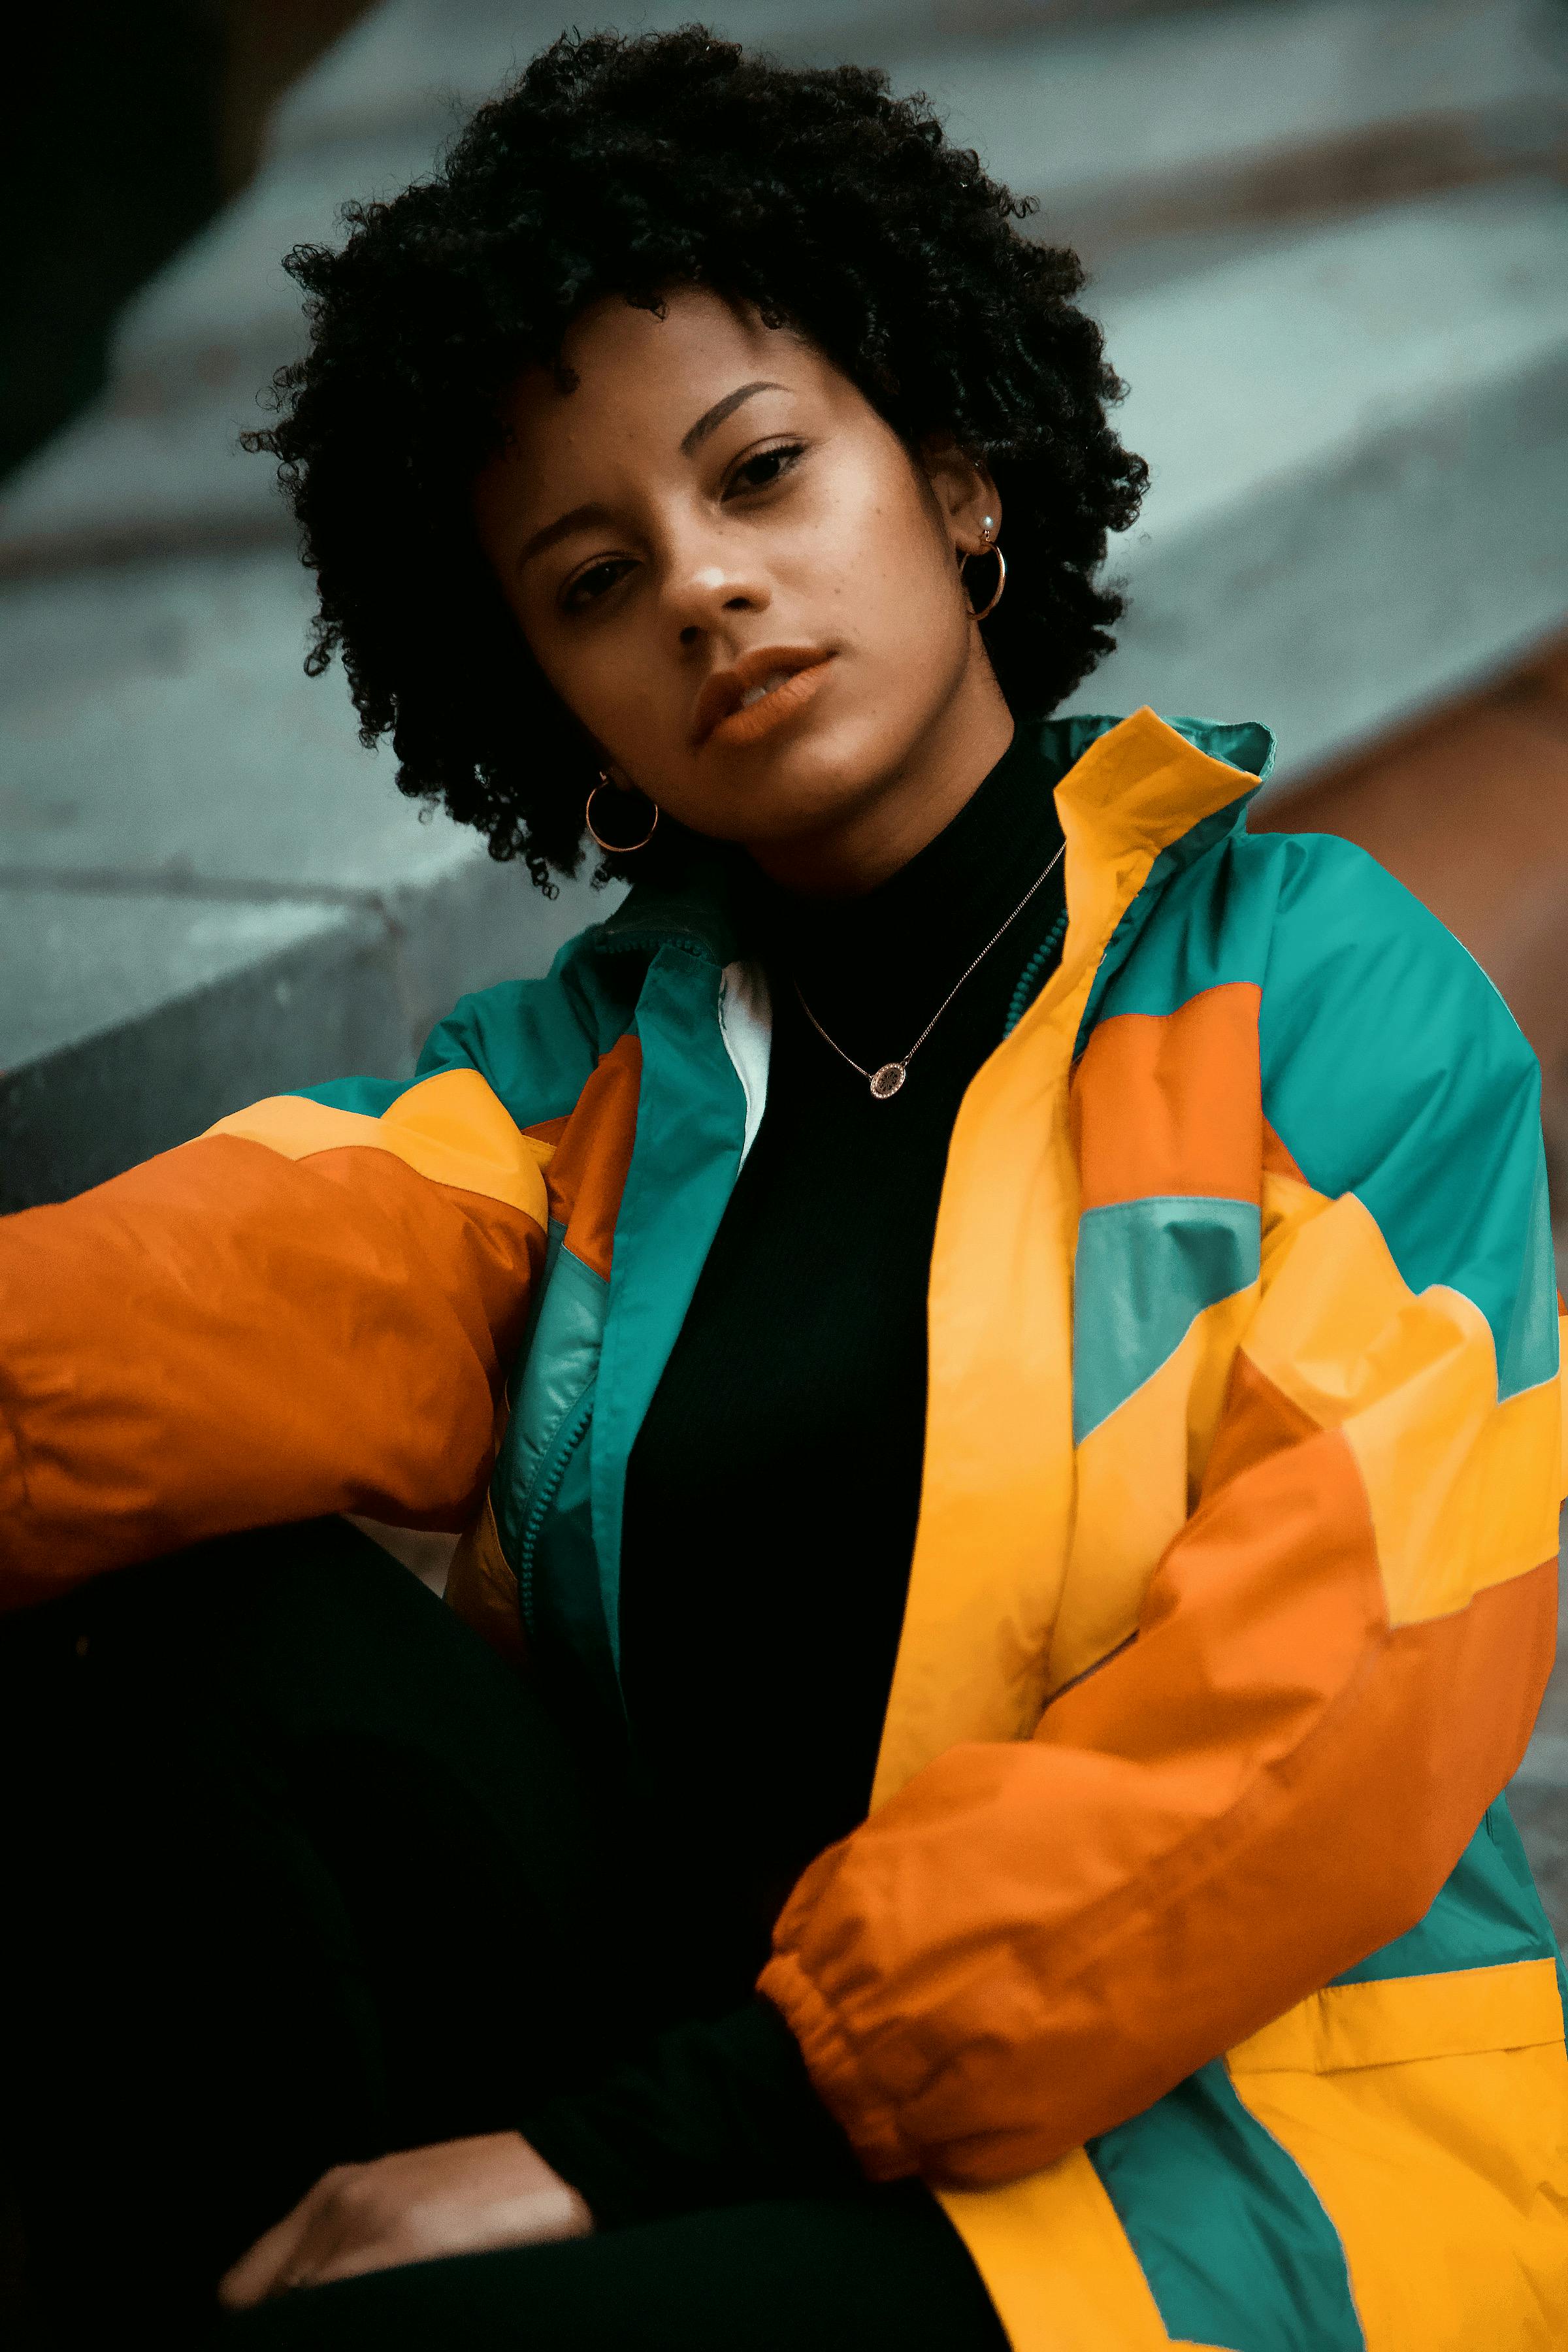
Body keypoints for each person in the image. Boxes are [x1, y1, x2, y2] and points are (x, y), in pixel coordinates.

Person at [2, 27, 1564, 2352]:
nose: (709, 594)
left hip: (1203, 2173)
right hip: (698, 2076)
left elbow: (1303, 1731)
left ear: (950, 476)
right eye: (596, 577)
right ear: (551, 692)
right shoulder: (580, 1100)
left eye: (761, 476)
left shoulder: (1329, 1004)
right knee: (191, 1635)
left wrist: (612, 2156)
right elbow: (156, 1327)